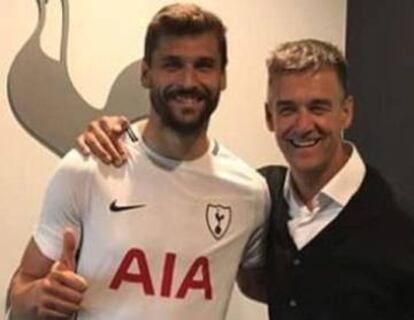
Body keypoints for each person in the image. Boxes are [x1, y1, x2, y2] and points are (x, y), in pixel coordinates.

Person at [77, 39, 414, 319]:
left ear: (347, 111)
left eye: (319, 107)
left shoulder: (400, 220)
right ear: (269, 117)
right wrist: (117, 133)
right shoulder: (260, 194)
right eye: (287, 109)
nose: (303, 124)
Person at [8, 4, 269, 319]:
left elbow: (260, 285)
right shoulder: (87, 168)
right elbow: (20, 292)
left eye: (204, 65)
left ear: (222, 76)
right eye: (172, 65)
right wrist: (38, 296)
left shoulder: (250, 193)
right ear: (146, 73)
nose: (189, 81)